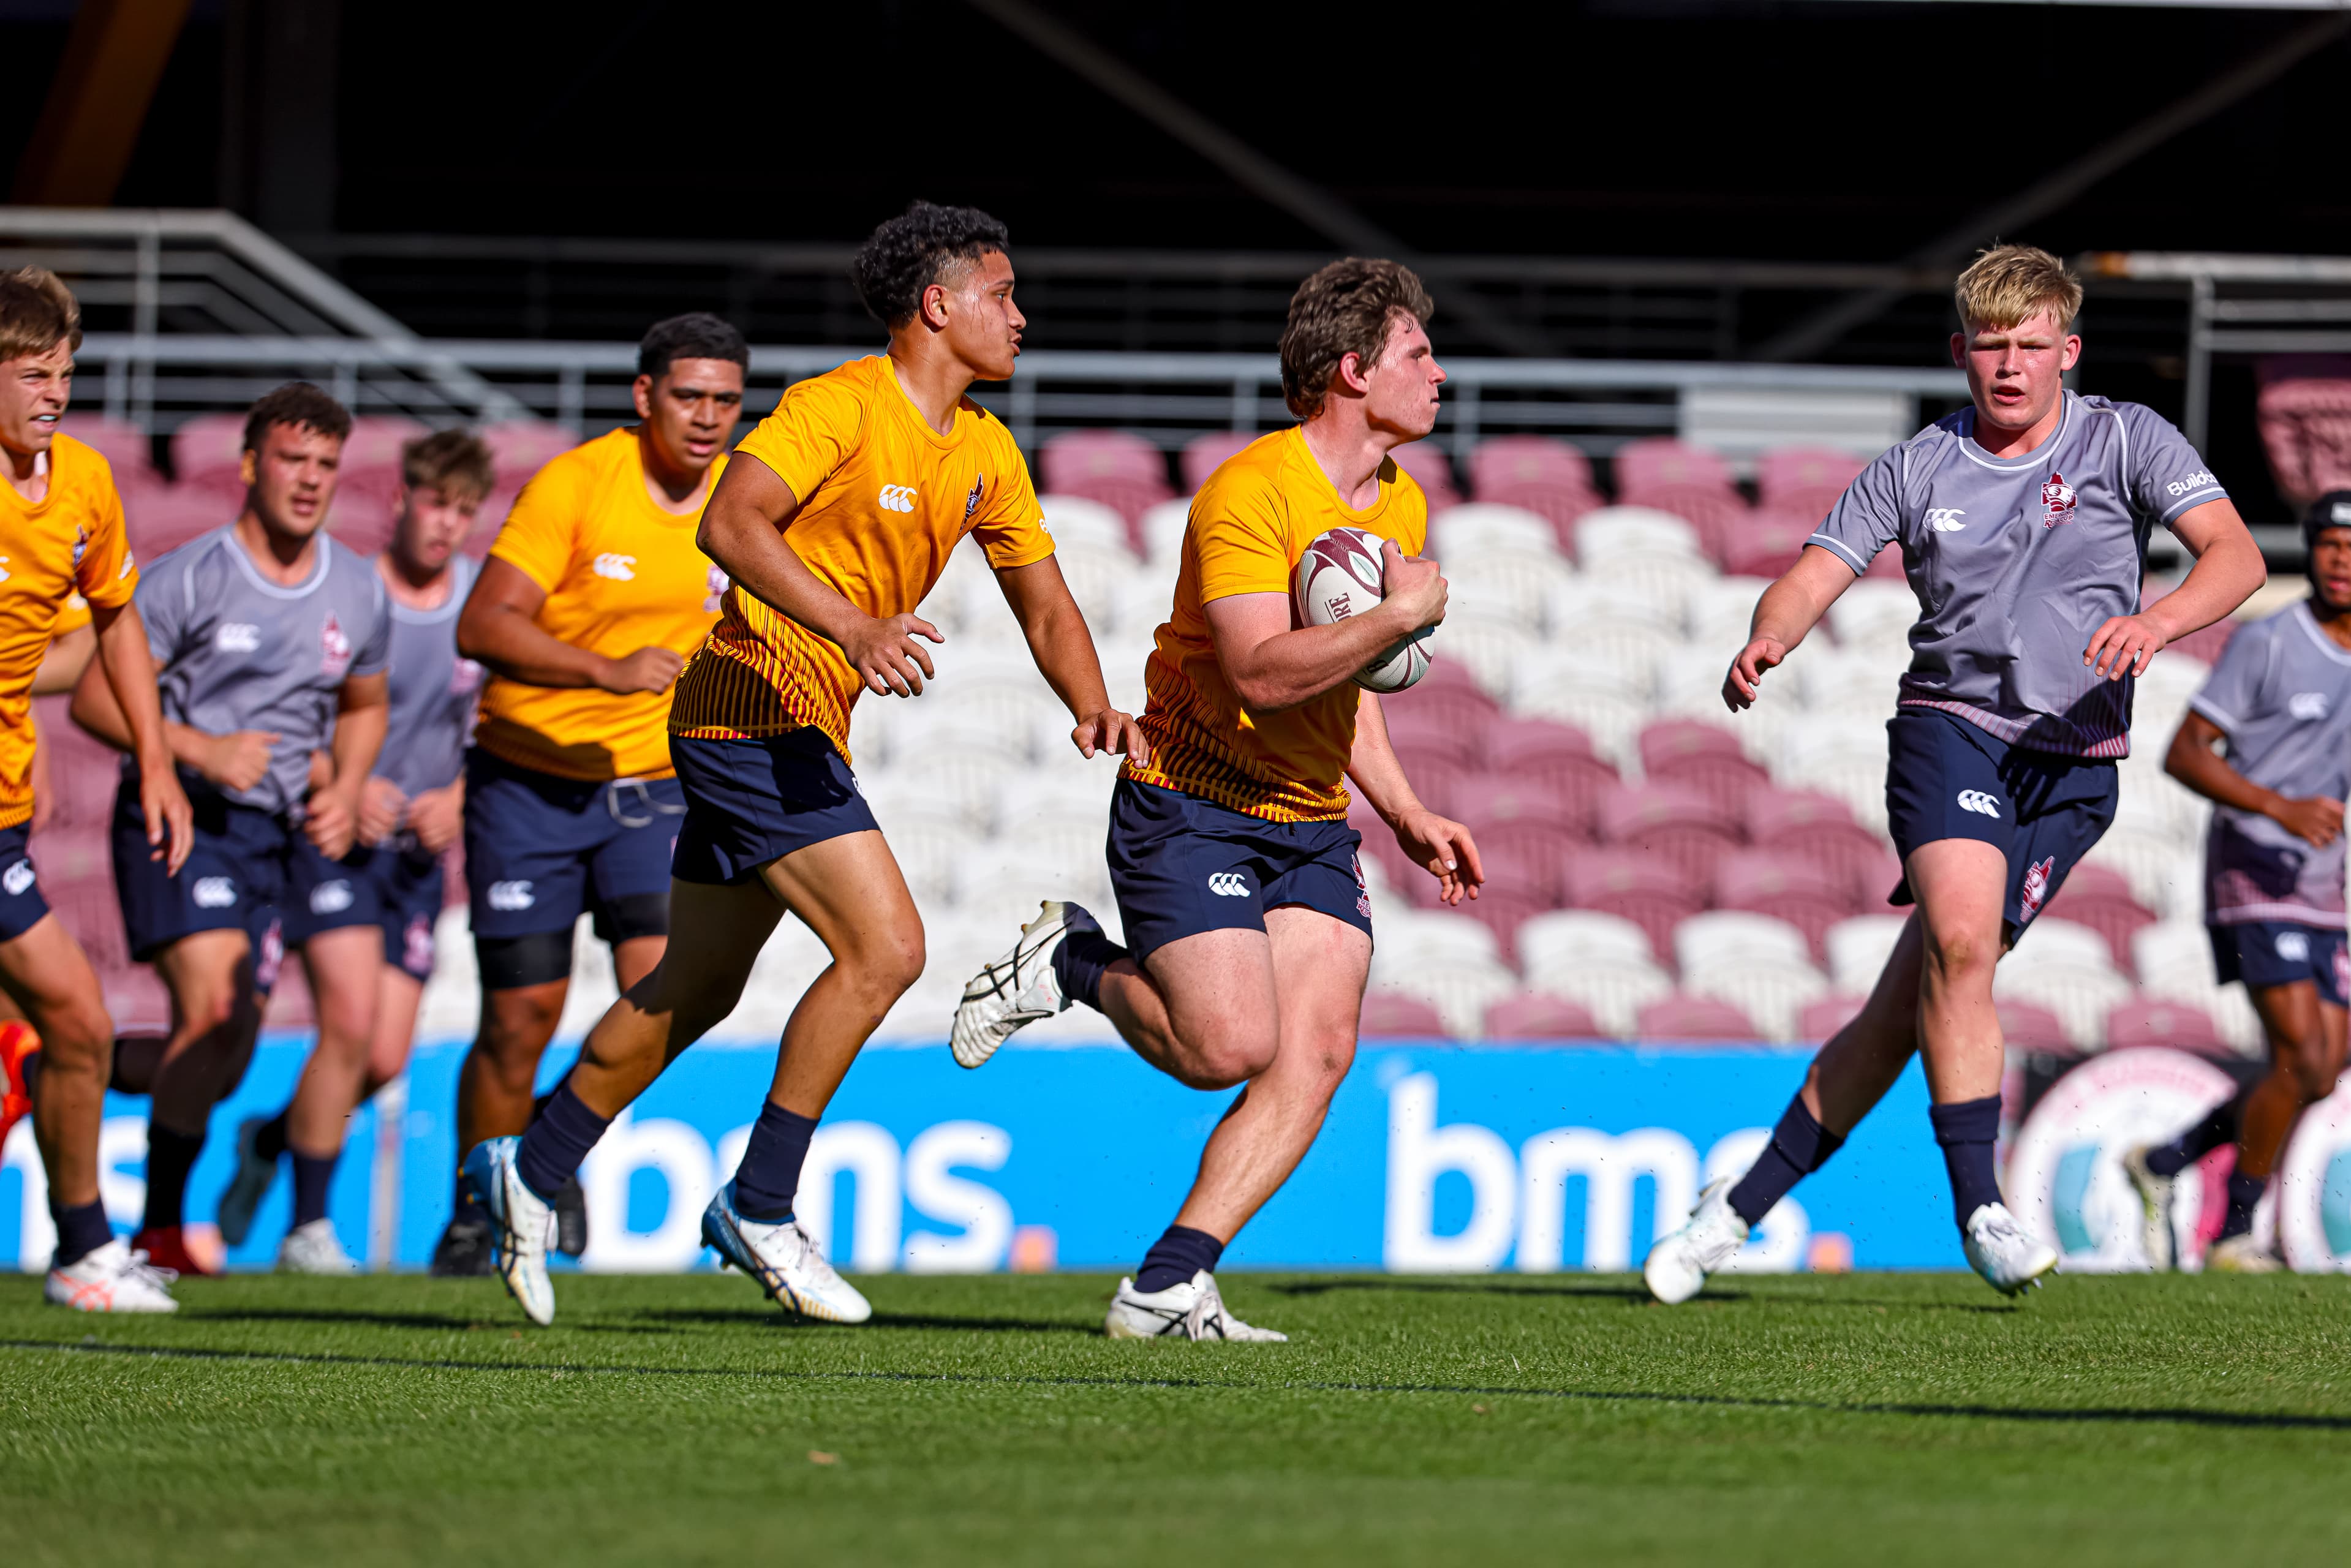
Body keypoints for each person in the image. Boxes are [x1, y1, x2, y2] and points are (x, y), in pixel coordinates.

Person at [463, 200, 1143, 1329]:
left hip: (792, 722)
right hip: (745, 711)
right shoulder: (838, 406)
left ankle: (528, 1169)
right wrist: (854, 627)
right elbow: (730, 525)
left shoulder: (983, 452)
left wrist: (1092, 706)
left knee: (694, 986)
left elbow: (1044, 599)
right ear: (939, 305)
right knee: (887, 950)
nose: (1021, 317)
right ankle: (760, 1204)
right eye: (1002, 292)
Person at [1642, 245, 2266, 1304]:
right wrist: (1767, 639)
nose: (2009, 366)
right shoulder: (1917, 465)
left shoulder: (2125, 440)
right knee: (1964, 944)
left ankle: (1731, 1209)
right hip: (1953, 734)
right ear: (1958, 354)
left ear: (2067, 351)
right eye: (1990, 347)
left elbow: (2234, 557)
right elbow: (1814, 570)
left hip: (2074, 769)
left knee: (1917, 1000)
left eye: (2030, 347)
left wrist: (2153, 623)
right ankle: (1979, 1206)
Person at [953, 257, 1479, 1341]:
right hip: (1189, 799)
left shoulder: (1400, 497)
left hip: (1307, 815)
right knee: (1224, 1050)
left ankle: (1165, 1283)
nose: (1439, 374)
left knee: (1319, 1054)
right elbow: (1257, 672)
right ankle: (1071, 963)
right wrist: (1396, 619)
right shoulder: (1249, 492)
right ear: (1351, 371)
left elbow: (1335, 684)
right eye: (1417, 354)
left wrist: (1404, 809)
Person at [431, 314, 746, 1276]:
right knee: (518, 1018)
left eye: (726, 401)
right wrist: (601, 670)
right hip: (527, 787)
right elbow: (482, 625)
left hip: (652, 795)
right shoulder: (577, 483)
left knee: (669, 997)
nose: (706, 418)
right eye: (687, 396)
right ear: (644, 396)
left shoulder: (744, 500)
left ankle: (542, 1152)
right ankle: (474, 1212)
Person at [72, 382, 392, 1279]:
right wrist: (200, 751)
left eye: (327, 465)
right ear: (251, 466)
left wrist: (351, 782)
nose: (311, 480)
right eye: (294, 460)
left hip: (281, 831)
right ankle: (159, 1231)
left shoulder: (356, 589)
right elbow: (100, 698)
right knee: (212, 1010)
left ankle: (75, 1061)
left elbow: (366, 703)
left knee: (233, 1042)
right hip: (182, 816)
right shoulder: (193, 576)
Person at [215, 429, 493, 1268]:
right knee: (347, 1026)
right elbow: (285, 709)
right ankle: (308, 1229)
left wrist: (459, 794)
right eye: (435, 504)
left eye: (464, 512)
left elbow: (506, 723)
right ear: (403, 502)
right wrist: (343, 779)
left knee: (379, 1058)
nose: (446, 525)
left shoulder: (479, 601)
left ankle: (268, 1140)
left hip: (417, 855)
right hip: (336, 839)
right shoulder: (349, 594)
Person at [0, 267, 192, 1311]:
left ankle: (82, 1252)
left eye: (66, 371)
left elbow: (117, 619)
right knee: (69, 1022)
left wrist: (156, 763)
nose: (56, 392)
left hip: (4, 818)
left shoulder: (80, 481)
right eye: (34, 373)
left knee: (76, 1028)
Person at [2123, 491, 2351, 1273]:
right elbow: (2184, 753)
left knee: (2319, 1071)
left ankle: (2164, 1161)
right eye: (2327, 543)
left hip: (2324, 885)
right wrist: (2277, 807)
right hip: (2252, 868)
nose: (2340, 558)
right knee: (2295, 1050)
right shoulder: (2267, 642)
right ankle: (2232, 1232)